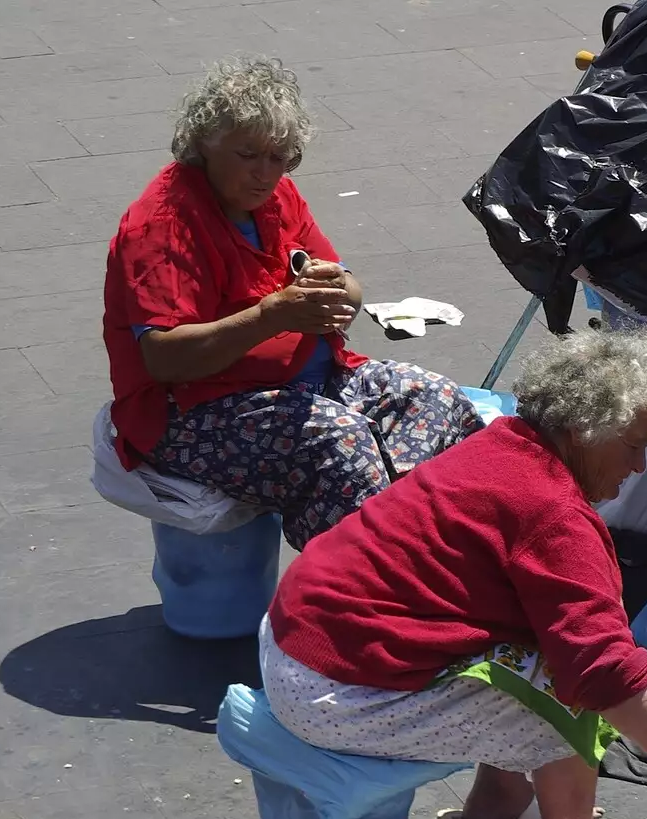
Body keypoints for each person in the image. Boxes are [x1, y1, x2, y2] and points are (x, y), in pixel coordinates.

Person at [260, 328, 647, 819]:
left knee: (539, 652)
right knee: (570, 698)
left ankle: (497, 802)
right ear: (582, 432)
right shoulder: (555, 513)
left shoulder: (503, 445)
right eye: (632, 446)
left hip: (295, 638)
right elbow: (606, 676)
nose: (639, 466)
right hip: (334, 688)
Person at [102, 56, 482, 550]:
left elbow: (348, 286)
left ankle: (426, 545)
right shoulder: (163, 225)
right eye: (248, 155)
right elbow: (165, 356)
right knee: (339, 444)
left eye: (279, 158)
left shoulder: (278, 196)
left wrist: (337, 289)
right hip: (195, 411)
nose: (265, 174)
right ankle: (359, 587)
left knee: (434, 397)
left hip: (311, 380)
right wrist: (272, 315)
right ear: (203, 146)